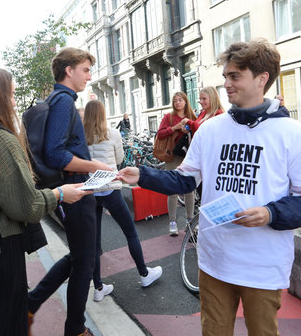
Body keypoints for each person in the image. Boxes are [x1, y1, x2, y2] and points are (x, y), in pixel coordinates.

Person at [116, 39, 301, 336]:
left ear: (262, 78)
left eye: (235, 76)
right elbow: (185, 180)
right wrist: (142, 175)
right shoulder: (211, 130)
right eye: (225, 76)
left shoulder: (291, 133)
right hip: (215, 258)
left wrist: (269, 214)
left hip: (262, 264)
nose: (226, 83)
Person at [0, 65, 91, 336]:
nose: (15, 102)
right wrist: (61, 193)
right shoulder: (1, 140)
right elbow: (25, 206)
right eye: (12, 95)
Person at [27, 48, 112, 336]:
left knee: (82, 255)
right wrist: (95, 164)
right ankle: (75, 329)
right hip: (75, 188)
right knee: (85, 261)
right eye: (86, 70)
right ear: (69, 71)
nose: (89, 76)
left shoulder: (58, 100)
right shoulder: (63, 102)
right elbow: (55, 154)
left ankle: (31, 303)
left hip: (74, 187)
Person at [83, 100, 163, 302]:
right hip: (110, 188)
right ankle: (144, 274)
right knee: (130, 232)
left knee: (93, 241)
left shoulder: (81, 137)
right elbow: (119, 159)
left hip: (91, 191)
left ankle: (98, 287)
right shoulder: (113, 134)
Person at [156, 92, 196, 236]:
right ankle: (172, 222)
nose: (178, 103)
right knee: (172, 188)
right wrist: (175, 127)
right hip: (172, 156)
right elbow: (160, 134)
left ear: (186, 101)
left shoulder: (192, 116)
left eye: (180, 100)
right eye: (175, 101)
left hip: (188, 156)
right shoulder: (169, 117)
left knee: (189, 188)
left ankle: (190, 221)